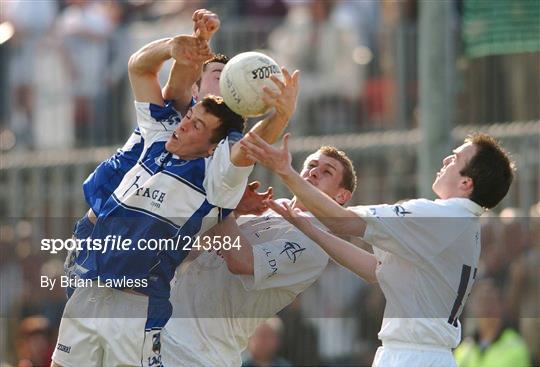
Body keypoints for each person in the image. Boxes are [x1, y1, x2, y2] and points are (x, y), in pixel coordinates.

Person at [52, 11, 300, 367]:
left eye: (196, 124)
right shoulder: (163, 128)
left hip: (135, 304)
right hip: (90, 287)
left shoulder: (217, 172)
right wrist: (174, 46)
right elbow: (141, 68)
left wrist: (280, 116)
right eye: (189, 116)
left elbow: (247, 150)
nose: (185, 126)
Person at [241, 132, 515, 367]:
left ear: (466, 183)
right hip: (416, 354)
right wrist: (308, 228)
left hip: (413, 357)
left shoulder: (438, 217)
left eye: (455, 158)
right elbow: (376, 270)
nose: (446, 160)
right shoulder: (460, 223)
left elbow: (343, 220)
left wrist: (285, 171)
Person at [160, 145, 358, 367]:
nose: (313, 172)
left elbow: (242, 261)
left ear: (342, 195)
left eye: (327, 172)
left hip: (195, 352)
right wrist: (235, 210)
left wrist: (223, 202)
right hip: (164, 326)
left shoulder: (315, 246)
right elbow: (202, 243)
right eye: (311, 165)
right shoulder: (274, 207)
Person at [454, 278, 531, 367]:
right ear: (473, 307)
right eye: (481, 300)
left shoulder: (516, 346)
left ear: (501, 305)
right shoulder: (464, 349)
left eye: (490, 300)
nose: (486, 306)